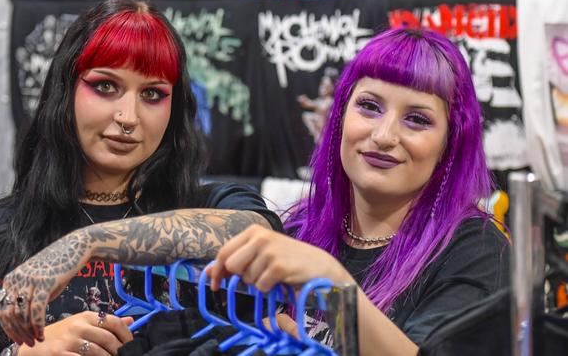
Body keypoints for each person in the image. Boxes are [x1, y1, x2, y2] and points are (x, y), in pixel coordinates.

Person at [0, 0, 282, 356]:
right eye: (106, 86)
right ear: (67, 90)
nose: (128, 117)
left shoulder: (211, 207)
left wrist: (83, 244)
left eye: (153, 94)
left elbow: (260, 238)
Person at [207, 27, 511, 355]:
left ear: (449, 144)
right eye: (369, 106)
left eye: (417, 119)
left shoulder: (478, 251)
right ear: (340, 116)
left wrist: (332, 281)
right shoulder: (297, 231)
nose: (383, 135)